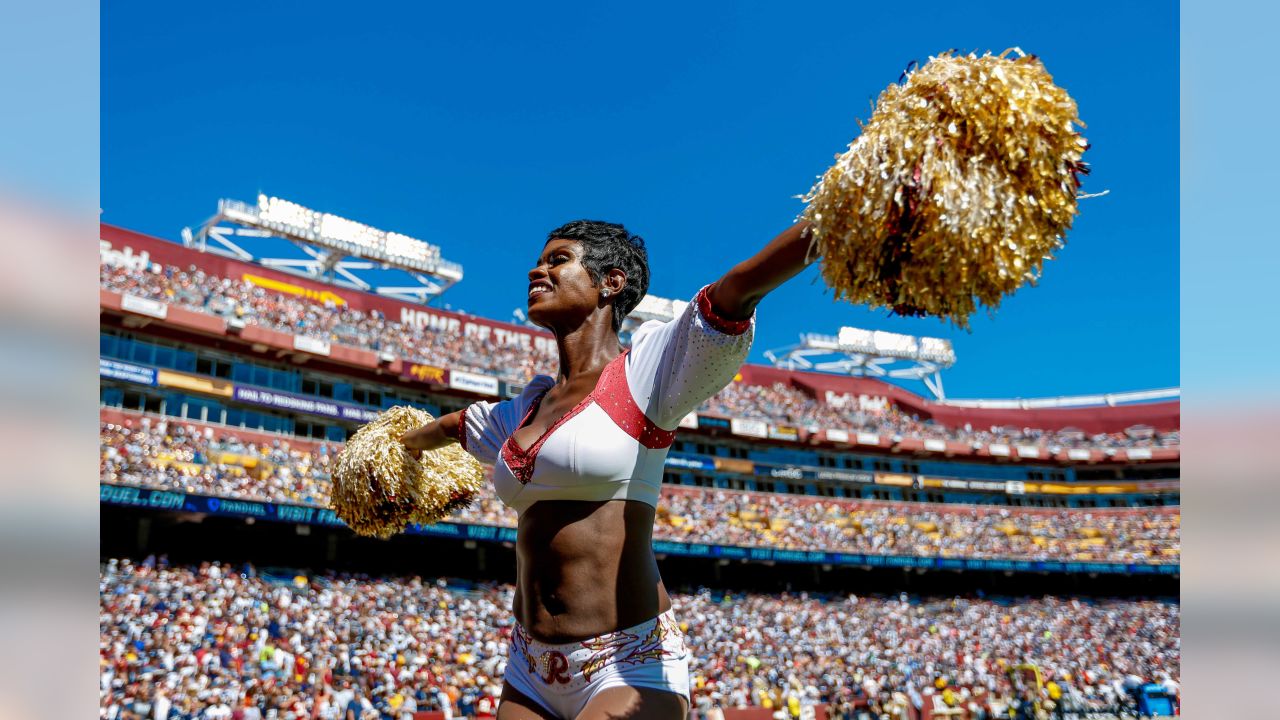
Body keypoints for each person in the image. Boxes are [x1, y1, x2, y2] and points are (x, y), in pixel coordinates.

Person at [402, 219, 814, 719]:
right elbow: (449, 427)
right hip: (528, 665)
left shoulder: (646, 372)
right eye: (540, 260)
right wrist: (390, 449)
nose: (538, 269)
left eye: (559, 260)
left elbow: (734, 292)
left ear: (610, 283)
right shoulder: (522, 411)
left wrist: (831, 220)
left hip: (628, 662)